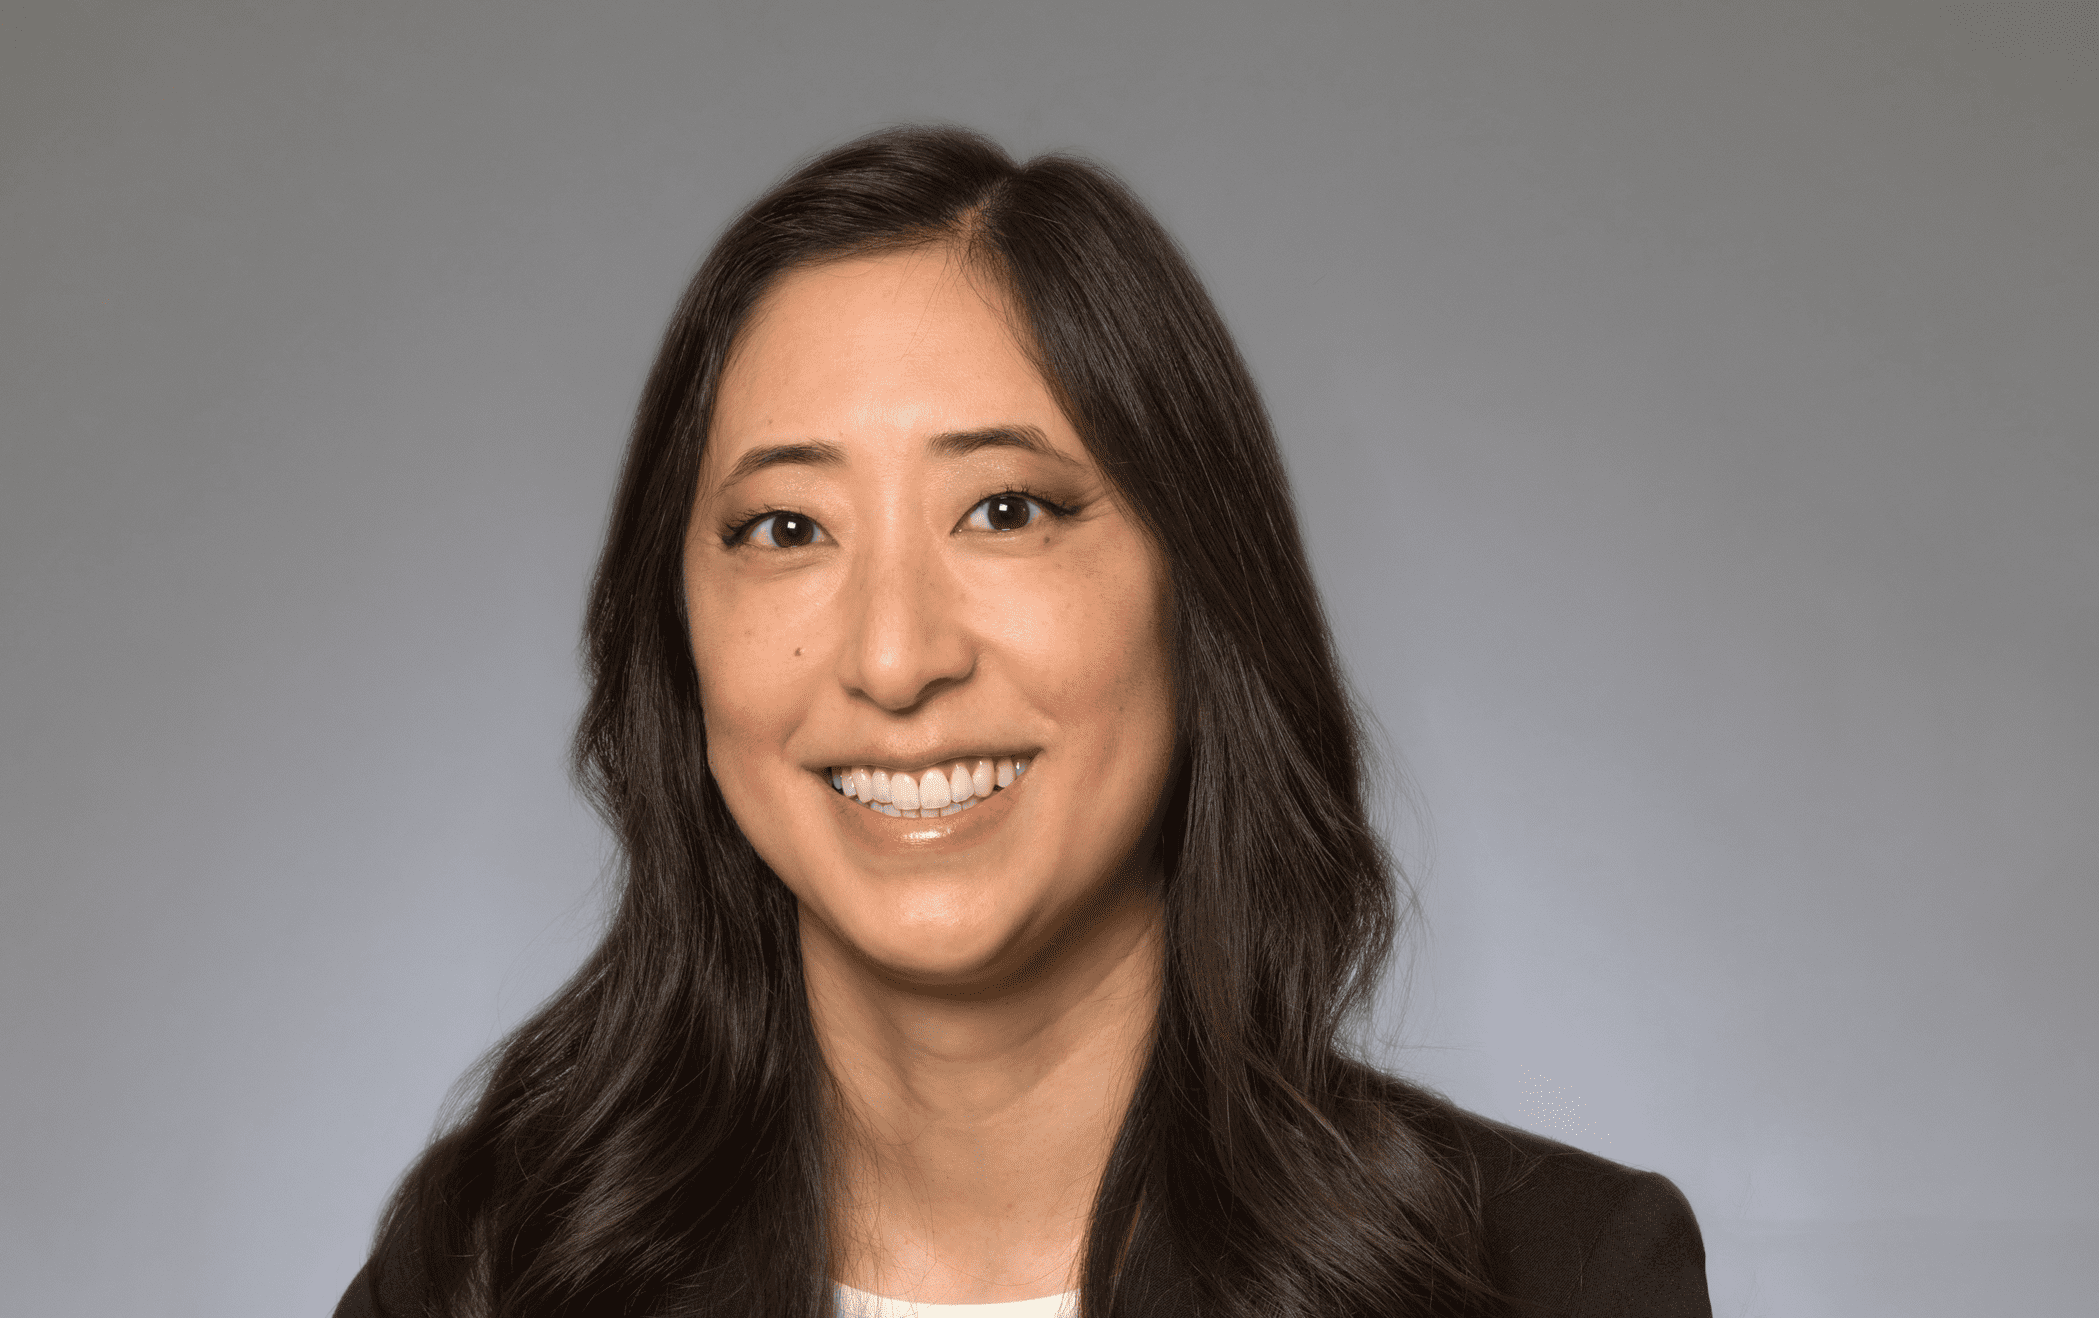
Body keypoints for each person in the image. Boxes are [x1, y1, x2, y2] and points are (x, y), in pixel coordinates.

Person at [334, 126, 1709, 1318]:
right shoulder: (490, 1268)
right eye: (785, 527)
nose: (892, 656)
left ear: (1199, 592)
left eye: (1006, 509)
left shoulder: (1550, 1278)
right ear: (679, 640)